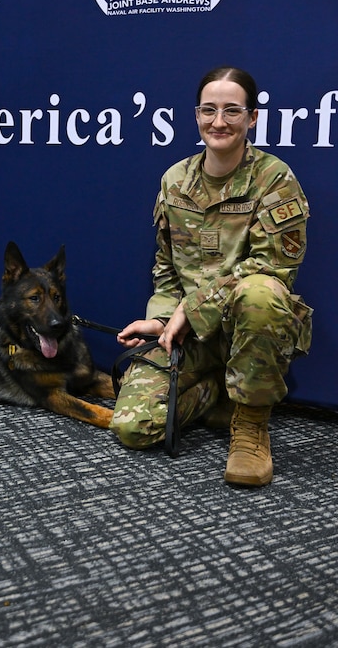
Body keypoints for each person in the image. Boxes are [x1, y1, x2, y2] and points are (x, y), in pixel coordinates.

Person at [109, 66, 312, 486]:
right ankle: (219, 395)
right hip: (191, 335)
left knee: (261, 293)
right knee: (133, 426)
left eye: (232, 110)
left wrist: (194, 307)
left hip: (247, 330)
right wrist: (161, 320)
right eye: (209, 109)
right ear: (196, 114)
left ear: (252, 117)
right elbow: (166, 270)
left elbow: (274, 267)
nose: (219, 121)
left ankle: (251, 425)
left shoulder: (274, 178)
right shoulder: (175, 180)